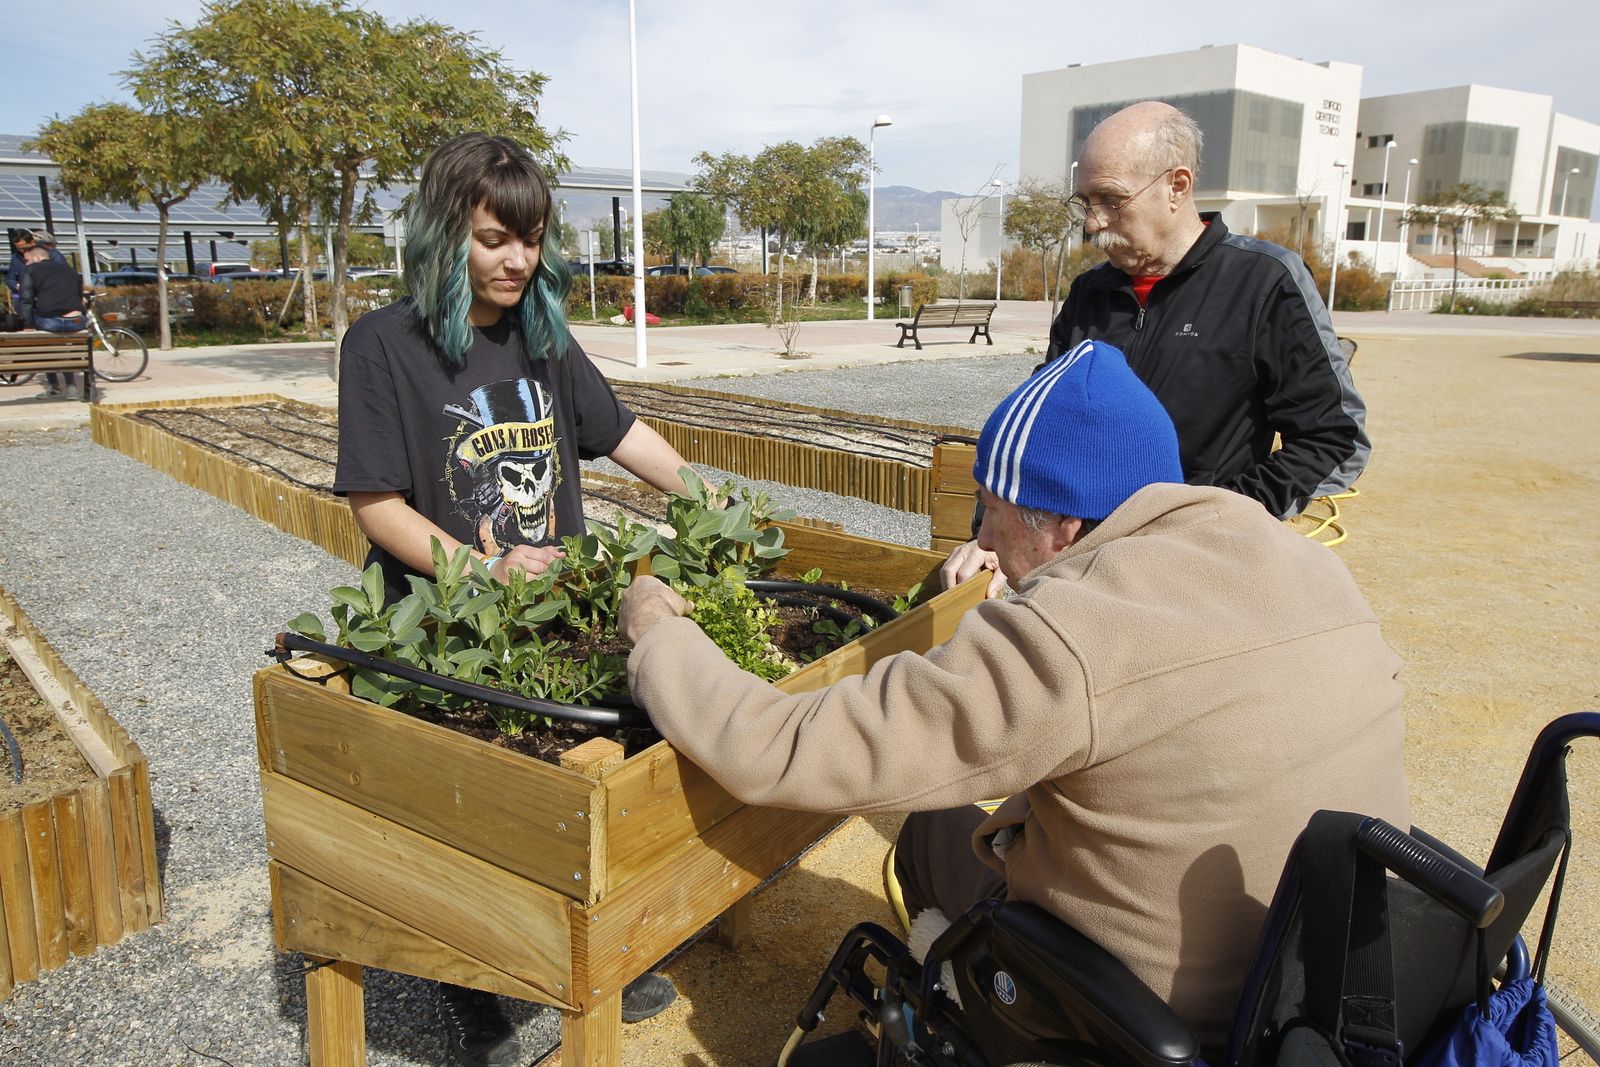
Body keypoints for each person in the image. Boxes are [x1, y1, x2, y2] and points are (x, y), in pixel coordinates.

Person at [618, 338, 1409, 1050]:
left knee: (931, 831)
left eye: (992, 511)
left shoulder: (1071, 636)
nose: (984, 539)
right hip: (1330, 993)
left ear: (1064, 526)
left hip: (1139, 1015)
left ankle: (961, 1004)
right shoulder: (1301, 560)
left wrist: (659, 637)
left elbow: (778, 748)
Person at [332, 132, 686, 1066]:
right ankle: (470, 981)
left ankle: (594, 950)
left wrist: (710, 496)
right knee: (471, 811)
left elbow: (622, 432)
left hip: (553, 614)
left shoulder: (543, 336)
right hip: (448, 626)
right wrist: (481, 570)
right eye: (494, 239)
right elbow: (377, 504)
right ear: (444, 232)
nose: (518, 260)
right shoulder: (383, 345)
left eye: (529, 239)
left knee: (579, 785)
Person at [945, 101, 1369, 598]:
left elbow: (1333, 439)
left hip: (1198, 576)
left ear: (1177, 187)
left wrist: (1210, 523)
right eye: (1085, 202)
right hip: (1082, 578)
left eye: (1111, 199)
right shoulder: (1089, 294)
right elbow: (1040, 432)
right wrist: (994, 534)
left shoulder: (1264, 283)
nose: (1093, 223)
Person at [17, 243, 87, 397]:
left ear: (37, 258)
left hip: (50, 322)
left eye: (27, 260)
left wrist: (28, 325)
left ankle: (54, 386)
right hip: (76, 321)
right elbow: (79, 296)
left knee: (47, 347)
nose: (26, 264)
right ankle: (71, 386)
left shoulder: (30, 270)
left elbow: (26, 300)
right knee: (63, 347)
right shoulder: (70, 270)